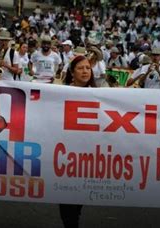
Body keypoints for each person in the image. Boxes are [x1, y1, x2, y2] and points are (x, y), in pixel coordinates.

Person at [59, 55, 96, 228]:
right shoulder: (59, 92)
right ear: (72, 72)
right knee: (67, 205)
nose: (85, 71)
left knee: (77, 201)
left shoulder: (101, 94)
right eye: (80, 68)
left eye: (88, 68)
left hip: (87, 156)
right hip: (65, 155)